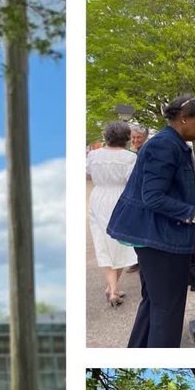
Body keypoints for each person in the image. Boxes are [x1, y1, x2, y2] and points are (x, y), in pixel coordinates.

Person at [107, 96, 195, 348]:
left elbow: (162, 187)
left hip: (159, 238)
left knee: (155, 305)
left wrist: (188, 184)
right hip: (161, 240)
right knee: (167, 312)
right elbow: (153, 197)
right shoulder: (164, 145)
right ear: (183, 118)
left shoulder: (173, 144)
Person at [87, 121, 138, 308]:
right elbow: (132, 181)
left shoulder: (93, 155)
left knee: (102, 242)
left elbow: (88, 174)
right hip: (121, 198)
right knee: (120, 243)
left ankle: (112, 288)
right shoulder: (130, 157)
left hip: (99, 197)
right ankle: (113, 288)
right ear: (126, 138)